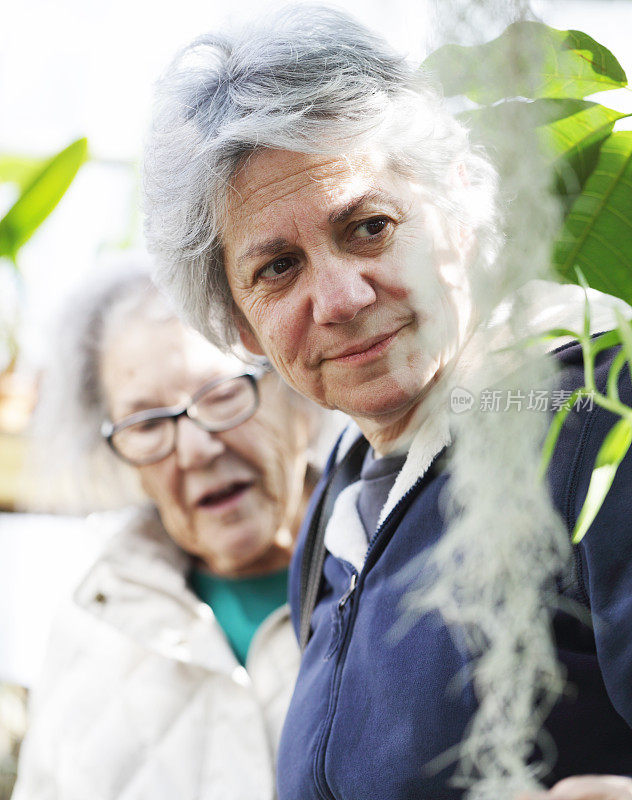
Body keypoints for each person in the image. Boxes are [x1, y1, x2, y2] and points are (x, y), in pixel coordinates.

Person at [143, 8, 632, 800]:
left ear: (460, 205)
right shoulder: (336, 507)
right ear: (240, 323)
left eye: (369, 227)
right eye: (276, 268)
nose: (337, 298)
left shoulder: (597, 423)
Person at [12, 265, 321, 800]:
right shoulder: (94, 621)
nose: (197, 449)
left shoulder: (404, 567)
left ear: (297, 389)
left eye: (223, 393)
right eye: (148, 424)